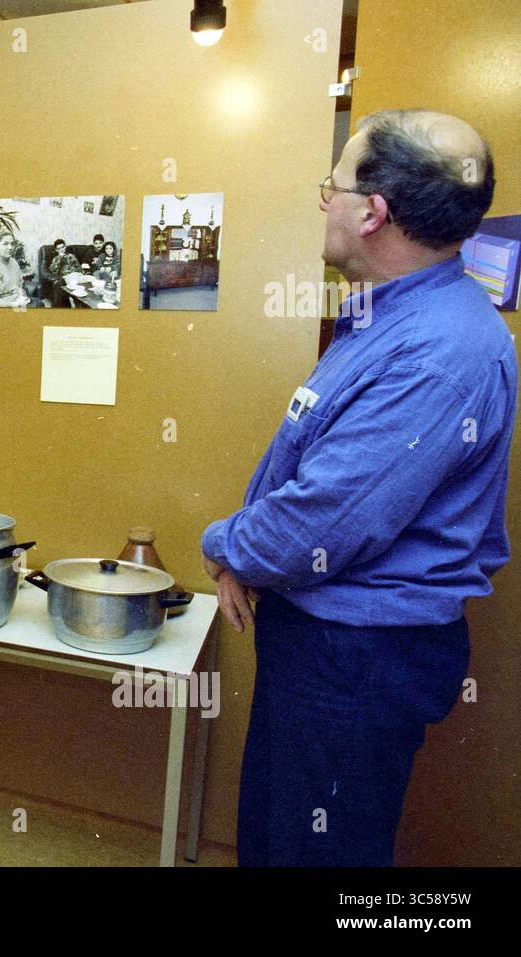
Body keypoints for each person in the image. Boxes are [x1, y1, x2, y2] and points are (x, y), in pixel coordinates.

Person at [201, 110, 512, 867]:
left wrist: (223, 544)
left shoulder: (440, 350)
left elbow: (324, 519)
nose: (322, 202)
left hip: (356, 658)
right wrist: (248, 551)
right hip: (326, 644)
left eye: (330, 186)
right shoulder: (389, 317)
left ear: (372, 211)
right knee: (277, 841)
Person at [46, 238, 80, 307]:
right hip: (67, 277)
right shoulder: (55, 259)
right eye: (59, 248)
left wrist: (80, 272)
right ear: (56, 250)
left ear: (65, 247)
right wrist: (59, 259)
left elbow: (78, 267)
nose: (61, 250)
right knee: (72, 284)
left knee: (91, 279)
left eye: (62, 247)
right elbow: (53, 271)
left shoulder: (71, 256)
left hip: (77, 275)